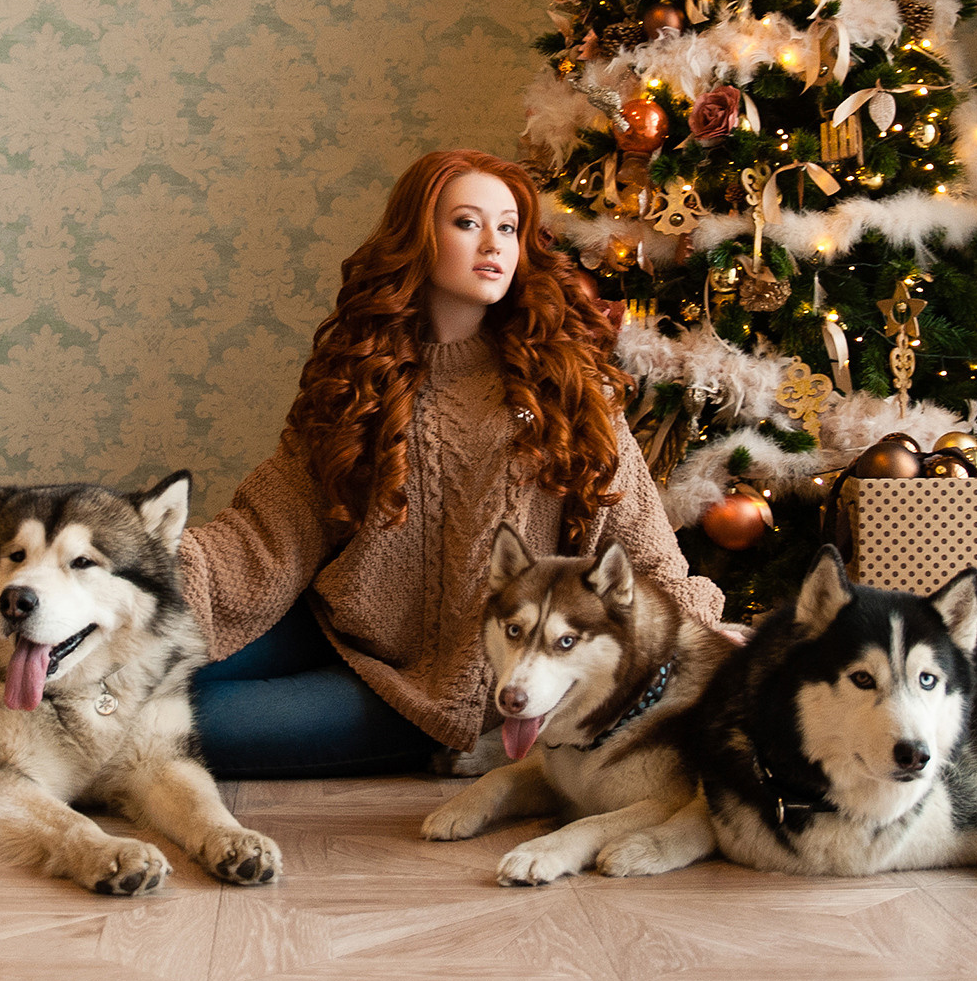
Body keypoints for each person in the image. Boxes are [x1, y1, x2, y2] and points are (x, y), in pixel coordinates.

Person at [179, 148, 724, 778]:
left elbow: (645, 555)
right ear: (419, 238)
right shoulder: (361, 377)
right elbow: (263, 534)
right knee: (125, 672)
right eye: (467, 223)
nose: (493, 243)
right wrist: (131, 578)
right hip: (335, 627)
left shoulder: (567, 389)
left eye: (509, 227)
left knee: (193, 721)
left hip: (440, 693)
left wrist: (702, 644)